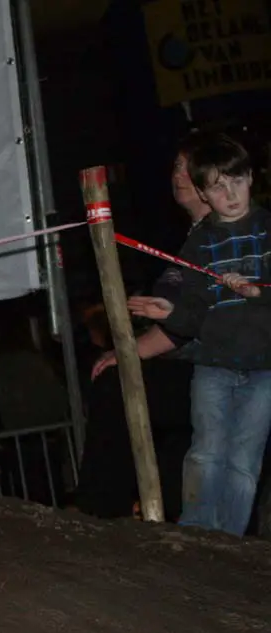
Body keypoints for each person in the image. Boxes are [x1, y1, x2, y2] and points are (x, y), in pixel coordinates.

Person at [129, 133, 271, 536]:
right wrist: (170, 311)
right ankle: (197, 532)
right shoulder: (200, 242)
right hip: (212, 363)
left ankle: (230, 538)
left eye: (236, 180)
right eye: (217, 186)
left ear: (250, 178)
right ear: (205, 194)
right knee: (206, 451)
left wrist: (256, 289)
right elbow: (190, 307)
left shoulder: (267, 229)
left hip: (264, 368)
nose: (229, 193)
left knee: (244, 459)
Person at [74, 135, 211, 520]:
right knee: (173, 450)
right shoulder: (192, 239)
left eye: (188, 166)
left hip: (215, 367)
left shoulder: (220, 236)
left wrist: (128, 352)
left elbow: (189, 321)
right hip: (190, 364)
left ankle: (99, 512)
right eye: (176, 166)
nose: (178, 175)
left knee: (116, 388)